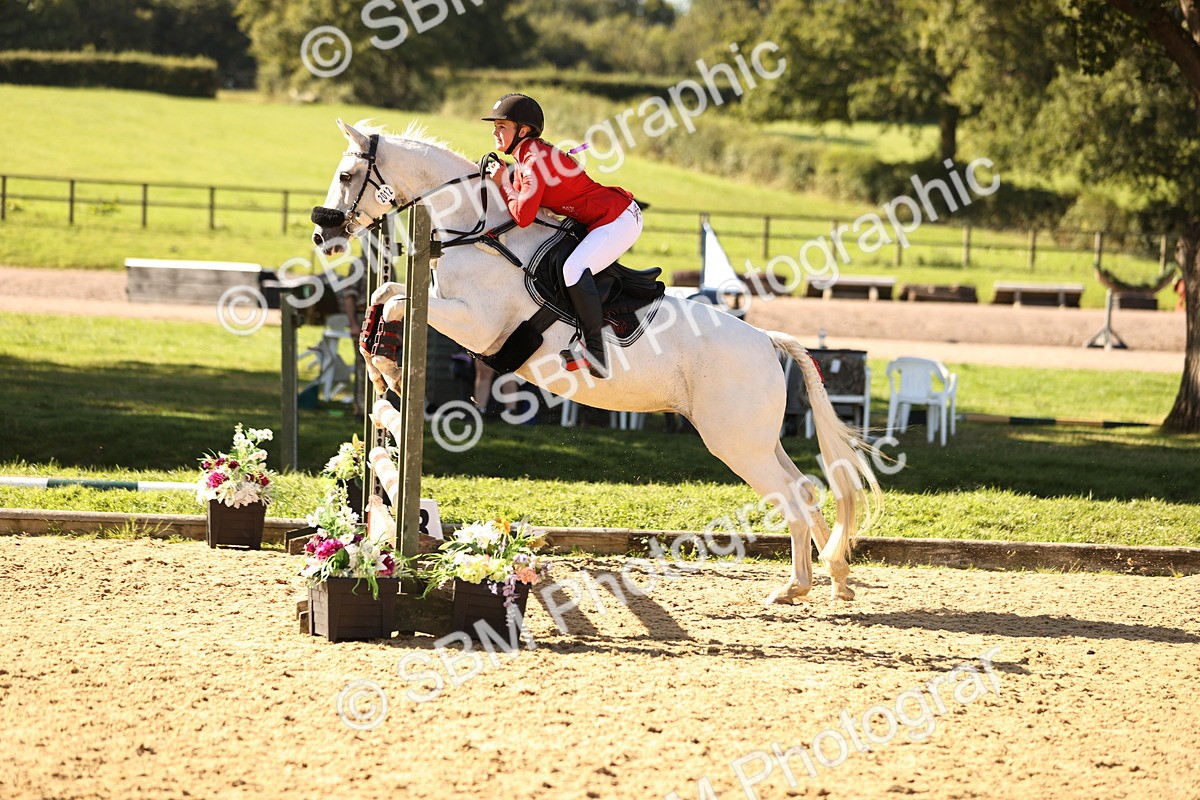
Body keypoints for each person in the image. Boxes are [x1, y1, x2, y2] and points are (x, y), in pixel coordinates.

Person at [484, 93, 642, 379]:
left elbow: (523, 217)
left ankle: (596, 353)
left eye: (502, 127)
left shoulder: (533, 160)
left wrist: (502, 182)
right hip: (600, 219)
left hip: (618, 219)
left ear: (523, 130)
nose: (495, 132)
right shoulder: (525, 158)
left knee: (574, 268)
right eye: (494, 127)